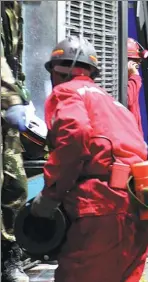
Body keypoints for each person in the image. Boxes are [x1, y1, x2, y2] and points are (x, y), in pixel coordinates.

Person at [30, 36, 148, 281]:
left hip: (102, 206)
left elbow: (75, 133)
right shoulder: (110, 101)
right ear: (91, 72)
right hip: (140, 206)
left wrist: (50, 195)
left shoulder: (66, 92)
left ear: (56, 71)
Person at [1, 1, 29, 281]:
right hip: (6, 104)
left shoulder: (13, 8)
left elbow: (12, 58)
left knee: (15, 187)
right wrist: (13, 98)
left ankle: (10, 255)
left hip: (5, 118)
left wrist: (22, 91)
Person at [127, 37, 148, 136]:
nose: (137, 65)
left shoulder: (131, 81)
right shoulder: (129, 82)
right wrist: (135, 77)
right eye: (135, 61)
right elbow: (128, 100)